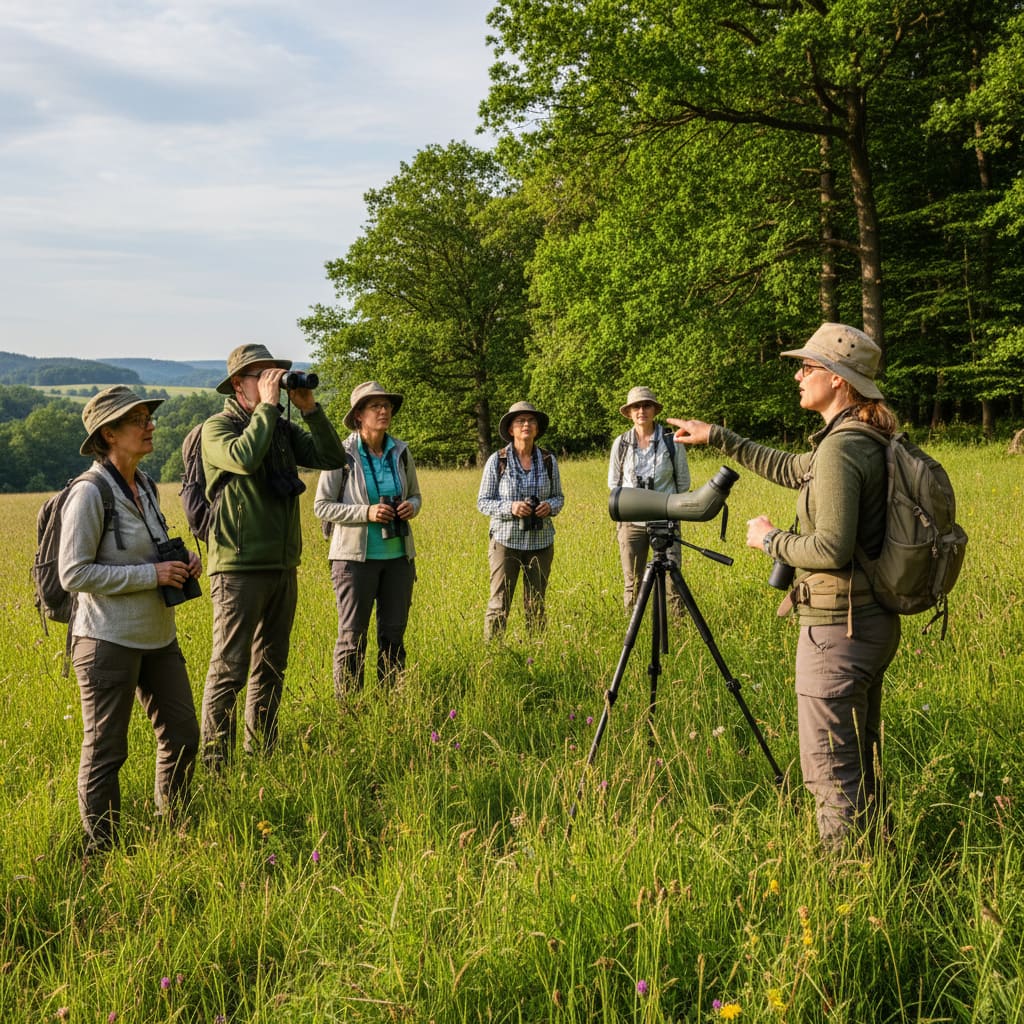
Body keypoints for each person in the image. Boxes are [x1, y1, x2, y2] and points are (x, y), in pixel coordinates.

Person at [669, 323, 901, 851]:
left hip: (837, 633)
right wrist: (719, 437)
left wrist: (770, 540)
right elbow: (795, 469)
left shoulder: (842, 450)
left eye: (808, 367)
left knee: (830, 772)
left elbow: (830, 550)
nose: (798, 376)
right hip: (867, 622)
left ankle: (848, 895)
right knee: (858, 760)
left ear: (838, 381)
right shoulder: (857, 440)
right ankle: (881, 864)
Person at [59, 385, 201, 852]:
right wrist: (152, 573)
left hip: (158, 636)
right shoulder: (89, 492)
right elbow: (73, 572)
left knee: (182, 735)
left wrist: (179, 565)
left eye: (147, 416)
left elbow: (147, 554)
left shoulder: (144, 484)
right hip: (106, 640)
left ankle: (174, 829)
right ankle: (102, 852)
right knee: (105, 752)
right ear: (108, 433)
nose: (150, 424)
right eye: (137, 419)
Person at [200, 343, 345, 769]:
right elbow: (243, 459)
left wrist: (309, 409)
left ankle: (260, 755)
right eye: (262, 377)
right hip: (238, 567)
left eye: (276, 376)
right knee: (229, 670)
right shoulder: (217, 428)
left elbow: (333, 457)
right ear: (238, 385)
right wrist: (267, 410)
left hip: (283, 565)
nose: (272, 384)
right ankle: (216, 766)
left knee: (272, 667)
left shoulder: (281, 428)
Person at [313, 382, 421, 697]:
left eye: (386, 405)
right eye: (375, 406)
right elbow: (322, 505)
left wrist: (410, 507)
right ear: (359, 415)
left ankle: (393, 704)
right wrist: (367, 512)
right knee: (352, 638)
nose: (384, 411)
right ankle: (351, 711)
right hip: (354, 561)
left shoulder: (400, 451)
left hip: (398, 557)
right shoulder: (341, 454)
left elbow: (415, 495)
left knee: (393, 636)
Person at [477, 401, 565, 641]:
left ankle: (537, 652)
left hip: (541, 541)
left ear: (537, 429)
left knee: (535, 604)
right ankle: (493, 653)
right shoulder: (498, 460)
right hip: (506, 542)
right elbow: (483, 501)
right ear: (511, 429)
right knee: (499, 604)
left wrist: (550, 506)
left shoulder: (548, 460)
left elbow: (559, 497)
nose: (526, 425)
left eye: (531, 421)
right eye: (520, 421)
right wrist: (511, 507)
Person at [609, 386, 691, 615]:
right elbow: (614, 484)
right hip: (631, 524)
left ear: (654, 410)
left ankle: (677, 630)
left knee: (672, 582)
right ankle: (632, 630)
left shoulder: (670, 440)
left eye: (646, 405)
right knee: (632, 583)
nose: (641, 410)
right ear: (629, 412)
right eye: (636, 406)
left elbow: (683, 483)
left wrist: (666, 505)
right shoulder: (622, 443)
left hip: (666, 520)